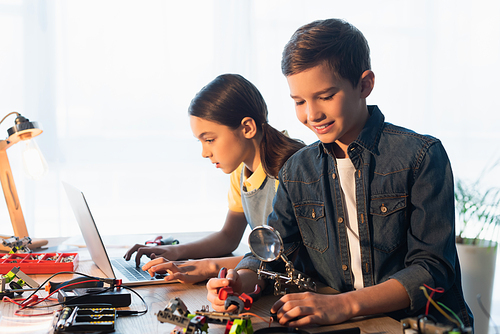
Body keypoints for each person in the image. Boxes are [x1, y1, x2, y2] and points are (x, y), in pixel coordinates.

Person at [206, 19, 474, 330]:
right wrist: (240, 280)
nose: (312, 114)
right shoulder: (298, 170)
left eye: (325, 96)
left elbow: (432, 270)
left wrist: (342, 305)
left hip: (420, 326)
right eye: (299, 101)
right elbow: (272, 250)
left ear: (364, 85)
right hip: (347, 323)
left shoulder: (421, 156)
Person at [123, 73, 305, 283]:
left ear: (247, 128)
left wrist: (206, 267)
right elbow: (229, 237)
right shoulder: (242, 169)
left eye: (209, 139)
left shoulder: (292, 171)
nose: (204, 152)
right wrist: (173, 252)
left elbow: (283, 260)